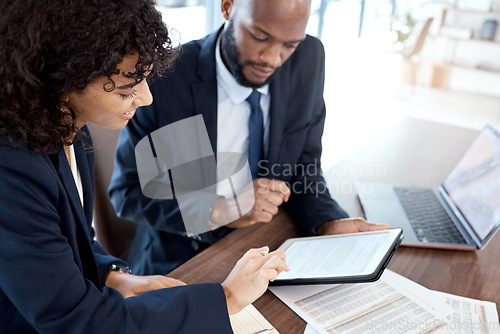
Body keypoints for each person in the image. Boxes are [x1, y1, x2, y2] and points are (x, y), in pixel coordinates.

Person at [0, 0, 288, 332]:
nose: (147, 97)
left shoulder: (68, 127)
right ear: (63, 80)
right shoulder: (12, 172)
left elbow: (67, 239)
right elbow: (77, 320)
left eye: (145, 79)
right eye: (127, 89)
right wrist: (225, 299)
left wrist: (112, 275)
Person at [109, 0, 389, 276]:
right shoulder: (168, 77)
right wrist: (218, 211)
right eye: (259, 36)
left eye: (289, 45)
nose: (272, 59)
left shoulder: (308, 57)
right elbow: (128, 193)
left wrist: (328, 221)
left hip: (267, 245)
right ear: (227, 7)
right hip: (185, 258)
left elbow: (304, 166)